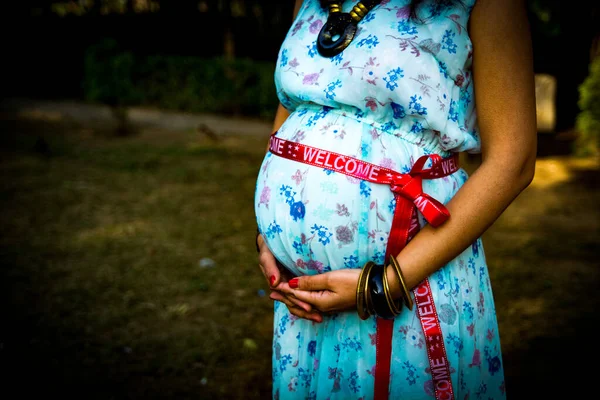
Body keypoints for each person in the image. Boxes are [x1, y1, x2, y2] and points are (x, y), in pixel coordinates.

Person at [254, 0, 537, 398]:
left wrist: (384, 286)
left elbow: (514, 160)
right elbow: (295, 107)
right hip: (304, 303)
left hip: (412, 281)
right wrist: (269, 235)